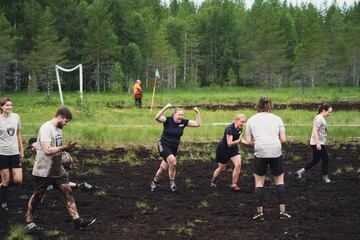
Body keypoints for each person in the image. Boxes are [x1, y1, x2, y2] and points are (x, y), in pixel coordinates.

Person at [25, 107, 95, 232]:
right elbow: (46, 150)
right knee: (37, 196)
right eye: (66, 121)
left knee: (67, 192)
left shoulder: (58, 129)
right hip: (44, 169)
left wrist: (64, 152)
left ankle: (77, 221)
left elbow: (56, 148)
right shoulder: (46, 128)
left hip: (57, 168)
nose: (66, 124)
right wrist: (63, 148)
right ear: (60, 117)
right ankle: (29, 222)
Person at [245, 96, 291, 220]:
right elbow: (283, 140)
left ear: (258, 105)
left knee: (259, 182)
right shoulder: (277, 119)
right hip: (275, 150)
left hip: (260, 151)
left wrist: (260, 143)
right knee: (280, 181)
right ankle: (283, 212)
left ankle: (259, 213)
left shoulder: (251, 120)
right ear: (270, 105)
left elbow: (249, 141)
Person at [150, 103, 201, 192]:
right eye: (179, 114)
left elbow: (197, 124)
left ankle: (154, 182)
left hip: (173, 148)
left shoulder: (183, 122)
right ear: (174, 114)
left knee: (163, 169)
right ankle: (172, 183)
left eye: (182, 115)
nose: (181, 116)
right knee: (173, 162)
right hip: (163, 145)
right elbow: (157, 118)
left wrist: (197, 112)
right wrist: (165, 107)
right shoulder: (167, 120)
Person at [296, 103, 333, 183]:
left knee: (315, 160)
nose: (330, 114)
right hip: (318, 143)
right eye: (329, 112)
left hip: (318, 142)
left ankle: (300, 172)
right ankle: (325, 178)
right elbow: (314, 131)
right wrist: (318, 143)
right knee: (326, 159)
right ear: (323, 110)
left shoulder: (321, 118)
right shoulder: (319, 118)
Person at [210, 114, 248, 191]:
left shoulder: (240, 128)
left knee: (238, 165)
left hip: (233, 149)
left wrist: (250, 143)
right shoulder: (229, 129)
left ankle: (234, 184)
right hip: (223, 149)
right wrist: (239, 141)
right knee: (222, 168)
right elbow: (229, 143)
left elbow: (239, 139)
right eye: (242, 121)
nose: (243, 123)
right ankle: (213, 181)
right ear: (236, 120)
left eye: (244, 122)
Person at [0, 97, 24, 211]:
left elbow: (19, 133)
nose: (9, 107)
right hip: (2, 153)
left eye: (10, 105)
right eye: (6, 105)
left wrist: (21, 150)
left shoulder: (16, 117)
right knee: (6, 179)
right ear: (1, 107)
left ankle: (2, 188)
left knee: (18, 180)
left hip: (14, 152)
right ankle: (3, 201)